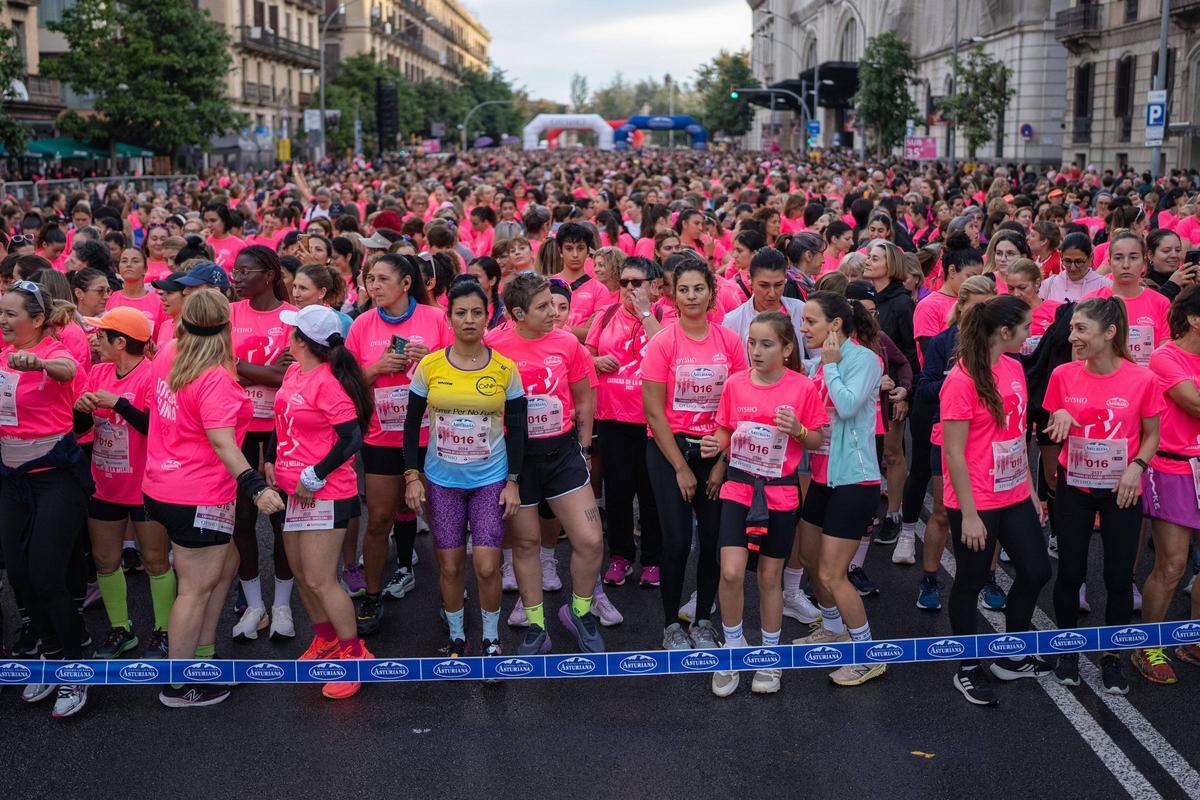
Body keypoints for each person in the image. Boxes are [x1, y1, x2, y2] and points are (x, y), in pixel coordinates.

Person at [143, 290, 284, 708]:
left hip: (163, 486)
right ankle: (178, 684)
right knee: (195, 588)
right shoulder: (214, 377)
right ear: (225, 326)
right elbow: (223, 442)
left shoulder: (170, 350)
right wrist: (256, 486)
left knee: (226, 565)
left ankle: (203, 659)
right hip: (197, 494)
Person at [1043, 297, 1161, 695]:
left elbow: (1152, 435)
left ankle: (1111, 658)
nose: (1071, 336)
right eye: (1072, 328)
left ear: (1109, 333)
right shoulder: (1062, 374)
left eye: (1081, 329)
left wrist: (1137, 467)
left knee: (1117, 577)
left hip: (1121, 491)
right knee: (1071, 573)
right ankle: (1068, 652)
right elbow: (1051, 425)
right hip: (1075, 488)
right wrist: (1057, 418)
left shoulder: (1142, 379)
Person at [703, 312, 825, 697]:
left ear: (787, 349)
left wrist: (799, 430)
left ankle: (770, 658)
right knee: (732, 573)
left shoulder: (802, 388)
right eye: (752, 342)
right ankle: (734, 648)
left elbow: (816, 439)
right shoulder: (736, 384)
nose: (755, 350)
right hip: (739, 489)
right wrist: (716, 444)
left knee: (770, 578)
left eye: (766, 343)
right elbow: (725, 427)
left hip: (781, 493)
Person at [940, 295, 1052, 706]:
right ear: (1004, 332)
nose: (1029, 334)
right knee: (970, 581)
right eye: (1025, 327)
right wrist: (968, 514)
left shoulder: (1015, 368)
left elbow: (1017, 437)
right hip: (976, 499)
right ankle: (967, 666)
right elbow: (953, 452)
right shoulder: (961, 380)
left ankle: (1012, 653)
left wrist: (1031, 490)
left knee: (1037, 570)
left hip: (1015, 491)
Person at [404, 278, 526, 659]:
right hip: (442, 481)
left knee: (488, 567)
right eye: (461, 313)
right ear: (449, 317)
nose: (469, 320)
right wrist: (412, 476)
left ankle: (491, 638)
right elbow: (411, 426)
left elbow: (519, 429)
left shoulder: (505, 369)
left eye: (477, 312)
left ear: (487, 316)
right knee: (452, 566)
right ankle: (457, 637)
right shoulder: (430, 366)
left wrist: (513, 482)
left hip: (490, 479)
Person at [486, 273, 606, 654]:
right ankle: (537, 625)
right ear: (517, 313)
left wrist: (585, 450)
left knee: (589, 540)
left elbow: (584, 400)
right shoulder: (493, 345)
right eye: (543, 307)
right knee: (526, 543)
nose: (553, 312)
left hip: (563, 454)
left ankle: (580, 612)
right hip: (515, 463)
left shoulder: (569, 343)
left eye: (555, 304)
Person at [265, 304, 372, 699]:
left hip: (327, 492)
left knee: (320, 579)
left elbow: (351, 438)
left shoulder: (328, 382)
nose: (286, 336)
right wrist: (273, 458)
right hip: (295, 491)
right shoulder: (295, 370)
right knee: (300, 573)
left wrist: (318, 471)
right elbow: (283, 420)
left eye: (292, 332)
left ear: (302, 341)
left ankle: (353, 655)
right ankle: (326, 640)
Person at [642, 253, 748, 651]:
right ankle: (671, 624)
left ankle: (704, 619)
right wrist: (680, 468)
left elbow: (739, 403)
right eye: (683, 289)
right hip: (669, 449)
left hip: (716, 451)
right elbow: (653, 411)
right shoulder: (663, 342)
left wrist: (721, 460)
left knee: (714, 541)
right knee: (676, 541)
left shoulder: (729, 341)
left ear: (711, 293)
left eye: (698, 289)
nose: (690, 296)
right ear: (672, 295)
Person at [345, 253, 450, 636]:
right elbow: (348, 382)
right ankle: (372, 595)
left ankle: (450, 596)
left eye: (382, 279)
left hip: (434, 436)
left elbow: (465, 364)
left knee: (444, 522)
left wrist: (434, 360)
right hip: (383, 437)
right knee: (378, 521)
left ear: (406, 283)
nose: (374, 286)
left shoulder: (436, 318)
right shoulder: (361, 325)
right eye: (370, 279)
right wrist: (376, 369)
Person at [0, 280, 92, 718]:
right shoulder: (1, 353)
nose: (2, 321)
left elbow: (68, 373)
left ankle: (76, 668)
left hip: (56, 477)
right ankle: (49, 655)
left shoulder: (56, 350)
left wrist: (36, 362)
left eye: (11, 314)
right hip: (11, 479)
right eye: (0, 313)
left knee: (47, 574)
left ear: (37, 320)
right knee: (19, 574)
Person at [793, 290, 886, 686]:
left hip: (855, 480)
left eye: (810, 321)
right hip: (822, 477)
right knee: (812, 560)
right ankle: (833, 627)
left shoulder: (865, 360)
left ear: (835, 325)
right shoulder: (816, 366)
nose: (803, 327)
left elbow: (847, 406)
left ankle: (868, 654)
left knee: (833, 573)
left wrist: (830, 366)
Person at [73, 308, 174, 660]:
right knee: (104, 559)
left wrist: (118, 403)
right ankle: (122, 629)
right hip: (104, 483)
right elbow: (80, 429)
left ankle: (163, 630)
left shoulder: (151, 374)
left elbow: (155, 427)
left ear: (121, 342)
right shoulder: (98, 371)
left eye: (101, 336)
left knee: (155, 561)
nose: (95, 341)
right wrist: (83, 408)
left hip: (146, 485)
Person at [228, 245, 298, 640]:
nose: (235, 278)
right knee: (241, 520)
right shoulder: (229, 313)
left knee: (281, 519)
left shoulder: (292, 317)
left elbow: (291, 376)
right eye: (234, 272)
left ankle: (283, 606)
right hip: (234, 431)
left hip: (280, 431)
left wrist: (244, 370)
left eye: (244, 271)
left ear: (269, 275)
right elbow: (221, 366)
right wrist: (266, 371)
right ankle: (254, 606)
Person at [1135, 284, 1200, 684]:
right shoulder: (1165, 355)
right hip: (1172, 467)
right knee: (1172, 564)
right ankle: (1149, 647)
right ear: (1194, 319)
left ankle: (1193, 638)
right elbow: (1193, 402)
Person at [586, 256, 664, 588]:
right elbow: (582, 356)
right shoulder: (604, 316)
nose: (630, 289)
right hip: (612, 418)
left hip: (652, 421)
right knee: (618, 494)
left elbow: (666, 350)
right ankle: (620, 557)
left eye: (638, 282)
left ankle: (653, 561)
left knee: (652, 495)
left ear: (655, 286)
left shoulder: (665, 315)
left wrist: (646, 312)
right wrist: (595, 360)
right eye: (625, 282)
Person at [864, 240, 916, 547]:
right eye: (868, 256)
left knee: (892, 452)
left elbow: (909, 354)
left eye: (875, 258)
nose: (868, 261)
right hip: (868, 390)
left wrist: (905, 392)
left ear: (891, 265)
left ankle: (894, 514)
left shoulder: (901, 303)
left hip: (893, 392)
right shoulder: (869, 296)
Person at [1082, 231, 1170, 368]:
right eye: (1118, 258)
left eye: (1134, 257)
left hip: (1147, 384)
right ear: (1109, 262)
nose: (1126, 265)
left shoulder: (1161, 303)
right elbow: (1082, 355)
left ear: (1144, 263)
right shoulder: (1090, 302)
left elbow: (1164, 355)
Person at [106, 248, 165, 337]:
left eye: (135, 261)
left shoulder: (160, 302)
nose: (129, 265)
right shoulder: (109, 298)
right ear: (118, 268)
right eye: (124, 261)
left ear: (145, 269)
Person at [1041, 233, 1110, 302]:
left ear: (1090, 258)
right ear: (1061, 256)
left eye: (1079, 262)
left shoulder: (1104, 285)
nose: (1073, 267)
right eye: (1067, 261)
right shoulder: (1049, 285)